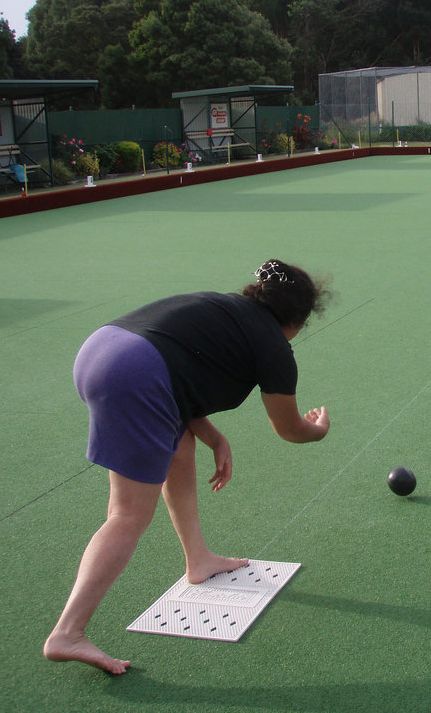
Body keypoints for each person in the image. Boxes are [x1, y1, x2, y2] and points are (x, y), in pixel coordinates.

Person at [43, 259, 331, 674]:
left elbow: (178, 368)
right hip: (134, 375)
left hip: (101, 349)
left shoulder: (225, 308)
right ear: (297, 320)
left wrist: (214, 435)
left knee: (181, 444)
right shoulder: (273, 345)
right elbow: (290, 429)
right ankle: (68, 632)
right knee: (127, 514)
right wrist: (318, 428)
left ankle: (198, 560)